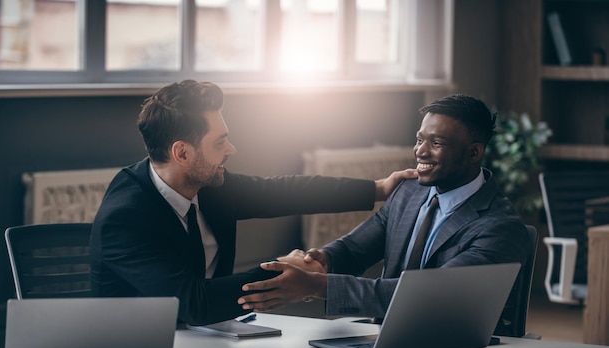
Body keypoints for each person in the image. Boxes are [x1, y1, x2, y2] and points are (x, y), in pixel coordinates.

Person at [89, 79, 416, 325]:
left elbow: (281, 191)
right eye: (220, 142)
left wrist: (378, 188)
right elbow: (193, 304)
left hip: (208, 338)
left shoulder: (208, 184)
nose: (231, 149)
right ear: (183, 153)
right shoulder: (126, 217)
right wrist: (285, 273)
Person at [238, 94, 530, 318]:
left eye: (436, 142)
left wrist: (315, 285)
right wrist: (319, 259)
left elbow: (426, 297)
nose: (420, 151)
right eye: (419, 139)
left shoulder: (500, 227)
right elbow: (355, 249)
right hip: (383, 336)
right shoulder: (408, 192)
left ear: (474, 152)